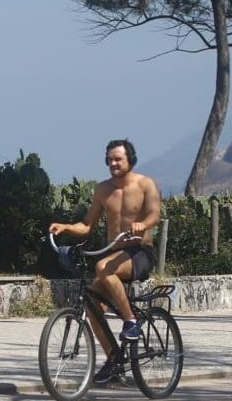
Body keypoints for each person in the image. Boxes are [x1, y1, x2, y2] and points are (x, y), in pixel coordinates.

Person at [49, 139, 161, 384]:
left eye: (118, 158)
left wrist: (144, 224)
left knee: (101, 267)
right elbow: (88, 225)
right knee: (91, 304)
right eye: (110, 159)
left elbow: (155, 214)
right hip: (114, 254)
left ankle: (131, 321)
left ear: (130, 159)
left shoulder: (145, 184)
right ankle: (114, 360)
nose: (113, 163)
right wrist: (66, 226)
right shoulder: (102, 190)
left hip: (140, 252)